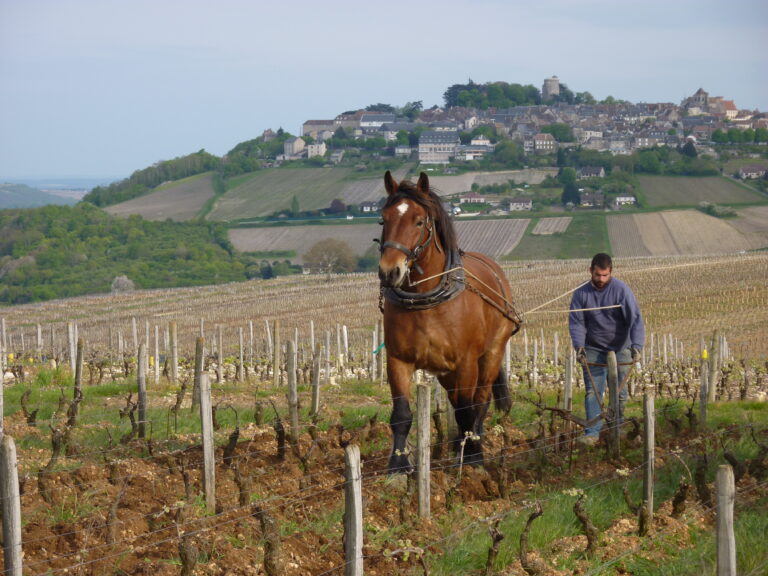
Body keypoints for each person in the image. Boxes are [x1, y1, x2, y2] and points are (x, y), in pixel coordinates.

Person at [569, 253, 644, 445]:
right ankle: (592, 432)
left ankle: (616, 428)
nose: (601, 279)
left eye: (605, 275)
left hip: (621, 347)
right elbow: (577, 323)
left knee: (619, 392)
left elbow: (635, 318)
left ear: (611, 272)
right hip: (593, 347)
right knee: (593, 392)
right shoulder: (581, 294)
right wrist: (579, 347)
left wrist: (637, 346)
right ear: (590, 271)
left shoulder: (621, 290)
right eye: (597, 275)